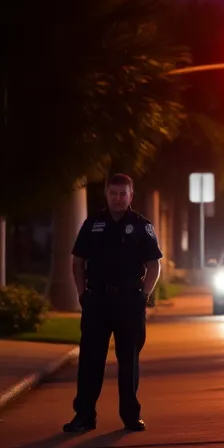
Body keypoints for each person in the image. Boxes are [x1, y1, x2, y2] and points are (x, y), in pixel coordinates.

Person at [63, 173, 162, 433]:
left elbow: (154, 265)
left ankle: (131, 416)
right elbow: (77, 261)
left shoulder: (141, 226)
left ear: (131, 196)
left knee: (128, 361)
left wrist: (144, 295)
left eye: (123, 193)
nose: (118, 198)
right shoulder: (93, 223)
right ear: (106, 195)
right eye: (113, 193)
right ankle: (84, 416)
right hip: (97, 300)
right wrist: (82, 293)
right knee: (90, 360)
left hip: (130, 301)